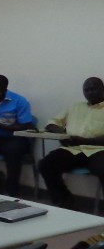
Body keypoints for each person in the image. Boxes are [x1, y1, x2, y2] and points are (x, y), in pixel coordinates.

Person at [38, 77, 104, 209]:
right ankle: (65, 202)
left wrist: (85, 141)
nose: (90, 92)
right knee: (46, 164)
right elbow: (52, 122)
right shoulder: (75, 107)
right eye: (86, 90)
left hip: (98, 150)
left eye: (93, 89)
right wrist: (61, 133)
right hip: (73, 149)